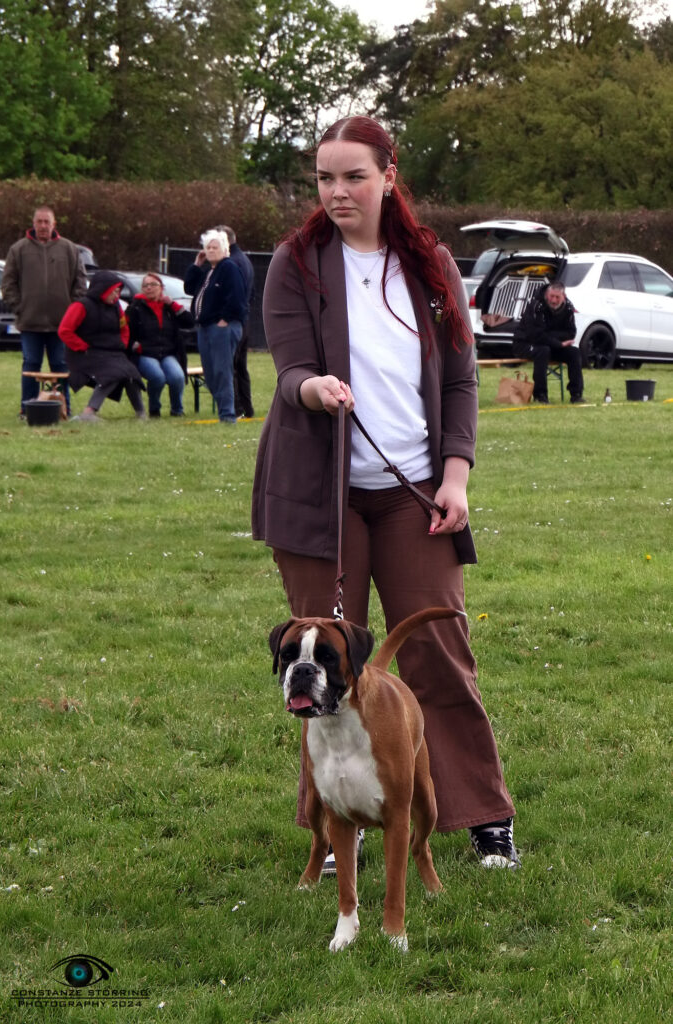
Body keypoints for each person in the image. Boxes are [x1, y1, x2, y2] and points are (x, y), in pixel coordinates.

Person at [252, 115, 519, 870]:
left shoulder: (429, 262)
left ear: (388, 176)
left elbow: (462, 378)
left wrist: (456, 476)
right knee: (326, 664)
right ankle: (334, 829)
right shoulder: (296, 263)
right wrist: (315, 389)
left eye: (353, 176)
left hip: (413, 492)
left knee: (438, 650)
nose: (337, 192)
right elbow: (290, 370)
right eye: (324, 178)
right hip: (319, 494)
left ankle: (483, 816)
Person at [2, 206, 86, 417]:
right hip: (30, 322)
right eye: (39, 221)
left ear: (54, 224)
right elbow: (8, 283)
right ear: (33, 223)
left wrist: (73, 309)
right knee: (31, 365)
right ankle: (27, 408)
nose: (42, 226)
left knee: (60, 365)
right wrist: (19, 306)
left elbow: (80, 281)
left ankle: (62, 408)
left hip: (62, 324)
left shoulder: (69, 248)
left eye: (46, 222)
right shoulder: (18, 249)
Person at [57, 271, 146, 422]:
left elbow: (124, 328)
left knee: (132, 374)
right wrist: (82, 346)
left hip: (112, 353)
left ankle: (141, 413)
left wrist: (122, 344)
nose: (117, 295)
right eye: (114, 291)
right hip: (84, 354)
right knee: (112, 374)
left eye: (118, 291)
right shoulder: (80, 306)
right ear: (103, 290)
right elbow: (64, 331)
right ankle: (88, 413)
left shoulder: (116, 307)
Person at [184, 230, 247, 424]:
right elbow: (189, 287)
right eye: (208, 247)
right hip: (205, 327)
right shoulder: (208, 271)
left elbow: (237, 296)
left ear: (225, 249)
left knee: (222, 370)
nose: (211, 251)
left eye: (215, 247)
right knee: (210, 372)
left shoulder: (229, 267)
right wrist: (197, 264)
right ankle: (225, 409)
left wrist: (225, 320)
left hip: (221, 327)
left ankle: (227, 415)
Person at [126, 272, 194, 417]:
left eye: (153, 285)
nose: (149, 288)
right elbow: (125, 332)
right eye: (145, 285)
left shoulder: (168, 307)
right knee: (158, 377)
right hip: (145, 353)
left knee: (177, 377)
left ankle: (177, 410)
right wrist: (133, 345)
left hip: (168, 352)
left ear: (161, 288)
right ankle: (154, 409)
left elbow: (189, 322)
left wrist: (173, 305)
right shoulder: (135, 308)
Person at [512, 282, 586, 404]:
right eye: (551, 296)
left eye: (557, 297)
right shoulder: (536, 305)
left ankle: (576, 394)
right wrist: (558, 343)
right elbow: (535, 335)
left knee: (574, 352)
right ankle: (540, 396)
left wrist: (553, 339)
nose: (554, 300)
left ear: (564, 296)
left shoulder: (568, 307)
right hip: (525, 343)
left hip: (551, 345)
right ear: (547, 294)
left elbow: (571, 333)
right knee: (543, 350)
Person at [215, 225, 255, 418]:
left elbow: (233, 296)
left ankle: (236, 409)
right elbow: (251, 293)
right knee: (240, 366)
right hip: (244, 319)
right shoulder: (244, 259)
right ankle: (247, 409)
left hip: (233, 321)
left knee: (230, 366)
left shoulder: (231, 263)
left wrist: (224, 318)